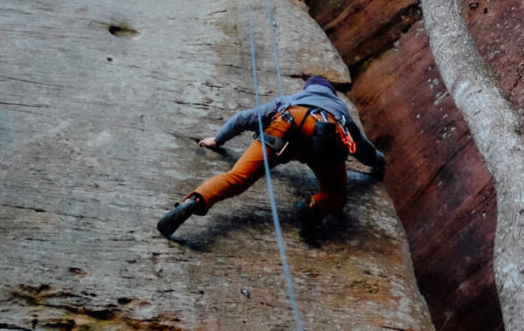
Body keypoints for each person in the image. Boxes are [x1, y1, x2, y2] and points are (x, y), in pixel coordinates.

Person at [157, 75, 386, 243]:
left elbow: (242, 119)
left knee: (237, 177)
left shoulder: (291, 99)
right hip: (325, 138)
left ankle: (196, 200)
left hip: (284, 128)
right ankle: (312, 206)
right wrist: (380, 163)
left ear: (309, 88)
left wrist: (218, 140)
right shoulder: (340, 112)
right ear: (332, 94)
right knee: (336, 195)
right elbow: (364, 151)